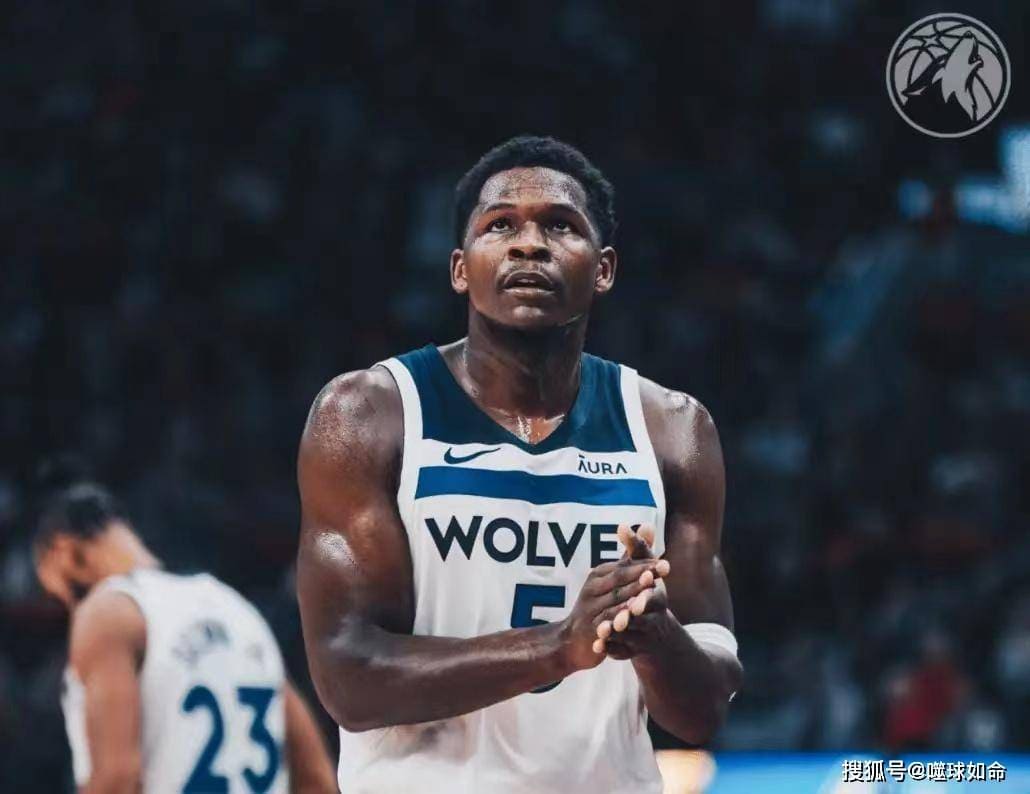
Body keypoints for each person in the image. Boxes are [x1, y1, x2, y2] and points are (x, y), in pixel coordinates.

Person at [297, 135, 742, 793]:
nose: (529, 244)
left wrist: (656, 638)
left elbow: (704, 711)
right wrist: (558, 646)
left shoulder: (672, 429)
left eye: (560, 226)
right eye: (500, 225)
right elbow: (349, 679)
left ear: (604, 269)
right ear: (460, 268)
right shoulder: (368, 414)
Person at [33, 479, 337, 794]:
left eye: (63, 597)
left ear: (65, 554)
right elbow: (318, 780)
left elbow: (118, 779)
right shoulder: (238, 609)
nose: (72, 611)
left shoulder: (108, 611)